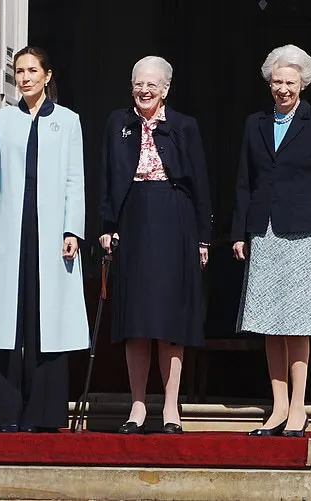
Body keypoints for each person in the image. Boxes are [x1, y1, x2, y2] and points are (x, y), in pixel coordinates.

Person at [0, 46, 89, 432]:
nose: (25, 77)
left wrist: (73, 229)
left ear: (47, 76)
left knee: (45, 323)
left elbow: (75, 179)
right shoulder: (1, 120)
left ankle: (42, 415)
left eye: (32, 70)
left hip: (51, 238)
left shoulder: (68, 121)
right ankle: (0, 414)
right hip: (7, 235)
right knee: (5, 322)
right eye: (19, 71)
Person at [231, 44, 311, 438]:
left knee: (298, 324)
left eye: (290, 82)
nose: (282, 89)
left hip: (303, 232)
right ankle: (277, 407)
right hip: (264, 232)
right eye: (277, 81)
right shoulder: (254, 124)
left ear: (303, 83)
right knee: (269, 324)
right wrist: (240, 233)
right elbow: (245, 181)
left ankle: (299, 408)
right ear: (269, 83)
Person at [99, 56, 212, 434]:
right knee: (136, 320)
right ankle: (136, 405)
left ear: (165, 89)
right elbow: (106, 177)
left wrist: (202, 237)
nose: (144, 91)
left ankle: (171, 408)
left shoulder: (184, 126)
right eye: (138, 84)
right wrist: (106, 224)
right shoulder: (119, 123)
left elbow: (200, 183)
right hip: (133, 220)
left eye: (152, 84)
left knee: (169, 320)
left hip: (174, 220)